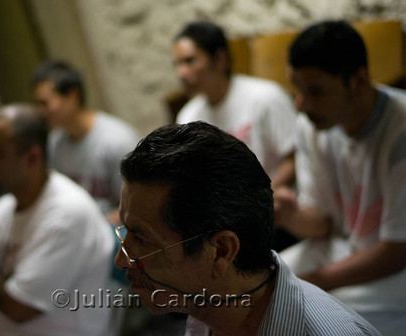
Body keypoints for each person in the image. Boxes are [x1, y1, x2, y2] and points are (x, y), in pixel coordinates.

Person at [114, 121, 381, 335]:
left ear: (221, 251)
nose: (121, 261)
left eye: (142, 239)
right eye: (126, 232)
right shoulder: (205, 312)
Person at [275, 20, 406, 335]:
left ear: (358, 80)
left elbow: (397, 249)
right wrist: (289, 214)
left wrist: (317, 282)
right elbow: (322, 224)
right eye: (296, 89)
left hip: (396, 263)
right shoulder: (313, 125)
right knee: (263, 280)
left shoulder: (400, 130)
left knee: (323, 315)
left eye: (315, 91)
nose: (301, 105)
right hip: (344, 247)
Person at [0, 103, 114, 335]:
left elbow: (20, 307)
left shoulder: (67, 212)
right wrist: (3, 288)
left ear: (32, 157)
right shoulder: (1, 211)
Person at [173, 20, 297, 189]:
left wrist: (262, 200)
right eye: (177, 64)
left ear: (219, 59)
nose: (181, 73)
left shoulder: (266, 97)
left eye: (189, 61)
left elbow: (294, 157)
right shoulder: (188, 116)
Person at [31, 61, 140, 223]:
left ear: (73, 96)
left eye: (45, 103)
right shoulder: (55, 142)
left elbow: (137, 208)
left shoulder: (117, 140)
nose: (41, 112)